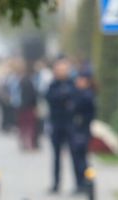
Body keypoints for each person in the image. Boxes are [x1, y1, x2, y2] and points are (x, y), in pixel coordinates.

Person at [44, 59, 77, 193]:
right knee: (56, 156)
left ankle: (79, 182)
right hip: (57, 123)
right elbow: (50, 98)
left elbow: (75, 100)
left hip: (70, 123)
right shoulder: (53, 85)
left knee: (75, 154)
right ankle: (56, 183)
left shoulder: (72, 84)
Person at [71, 69, 97, 193]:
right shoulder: (79, 93)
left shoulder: (86, 95)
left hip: (82, 130)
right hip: (78, 129)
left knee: (81, 159)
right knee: (78, 159)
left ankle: (85, 182)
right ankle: (81, 183)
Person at [17, 64, 40, 151]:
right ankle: (29, 143)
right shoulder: (29, 82)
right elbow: (33, 95)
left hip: (24, 107)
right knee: (30, 126)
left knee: (25, 126)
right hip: (28, 107)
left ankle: (25, 143)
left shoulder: (23, 82)